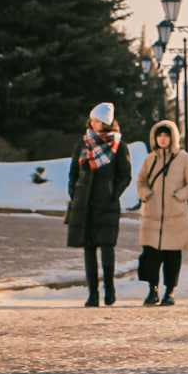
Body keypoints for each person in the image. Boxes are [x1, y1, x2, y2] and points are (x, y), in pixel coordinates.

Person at [66, 102, 133, 307]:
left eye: (98, 121)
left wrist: (113, 193)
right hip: (84, 204)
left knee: (106, 249)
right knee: (88, 250)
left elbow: (125, 175)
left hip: (106, 205)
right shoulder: (83, 143)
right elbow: (74, 172)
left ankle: (110, 290)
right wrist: (75, 192)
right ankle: (92, 293)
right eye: (93, 120)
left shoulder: (118, 146)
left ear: (107, 123)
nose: (94, 124)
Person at [136, 119, 188, 306]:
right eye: (159, 135)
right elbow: (141, 182)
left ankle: (170, 291)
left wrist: (180, 196)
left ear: (173, 137)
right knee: (152, 256)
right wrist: (146, 194)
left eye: (166, 135)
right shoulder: (151, 159)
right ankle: (152, 290)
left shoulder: (184, 158)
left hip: (175, 217)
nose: (163, 139)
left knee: (172, 257)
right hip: (153, 215)